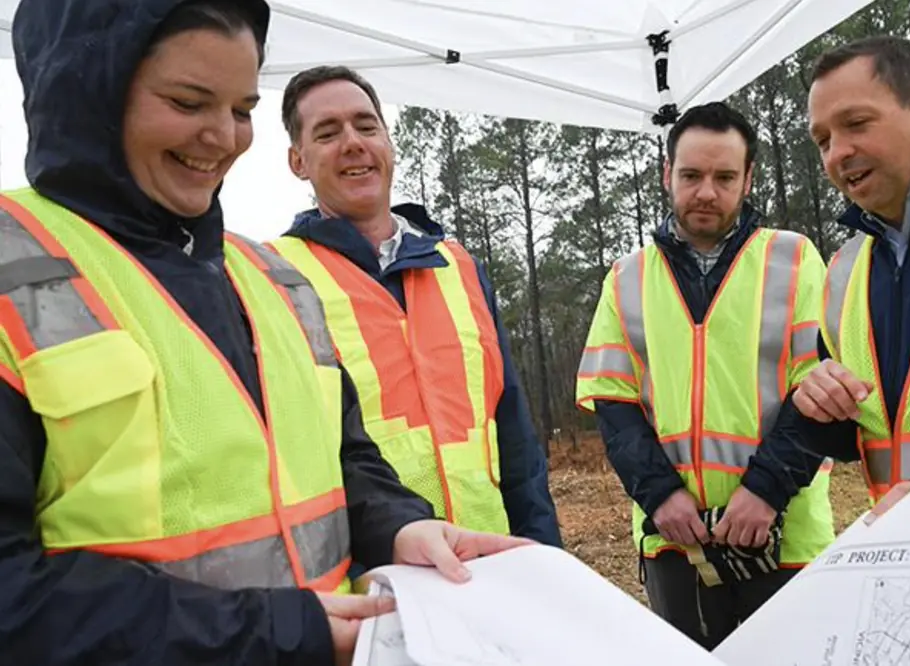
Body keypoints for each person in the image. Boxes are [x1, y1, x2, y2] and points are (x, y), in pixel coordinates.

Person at [0, 1, 530, 664]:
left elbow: (345, 458)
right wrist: (278, 633)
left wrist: (401, 525)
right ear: (89, 91)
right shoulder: (13, 268)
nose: (222, 137)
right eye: (189, 102)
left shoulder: (273, 279)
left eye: (242, 109)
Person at [265, 66, 562, 557]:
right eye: (327, 132)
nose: (353, 142)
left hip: (489, 560)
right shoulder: (275, 276)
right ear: (298, 161)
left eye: (366, 125)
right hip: (378, 579)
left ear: (389, 142)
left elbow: (514, 436)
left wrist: (545, 556)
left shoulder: (458, 265)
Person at [574, 101, 835, 649]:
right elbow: (614, 404)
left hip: (784, 533)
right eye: (691, 176)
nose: (706, 193)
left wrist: (765, 491)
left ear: (749, 178)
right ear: (667, 174)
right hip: (677, 542)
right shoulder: (626, 278)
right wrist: (661, 496)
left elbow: (820, 392)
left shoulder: (794, 259)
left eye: (724, 177)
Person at [768, 35, 910, 520]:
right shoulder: (845, 269)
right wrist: (816, 405)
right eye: (823, 140)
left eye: (855, 124)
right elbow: (858, 433)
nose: (837, 154)